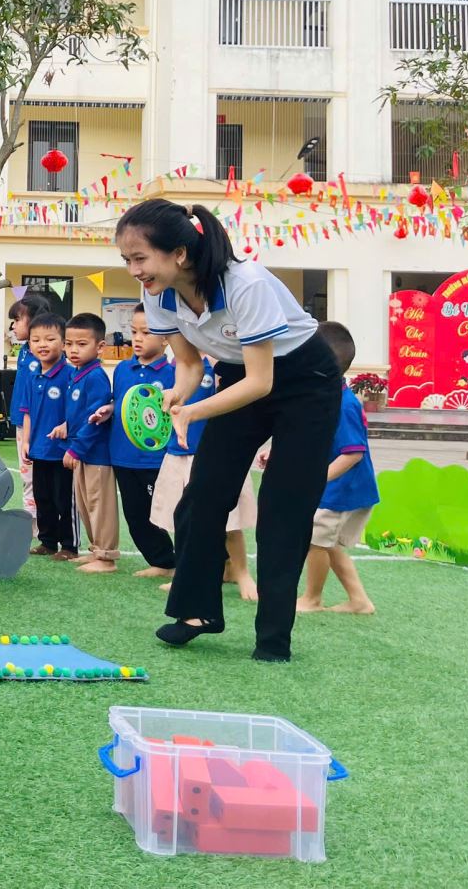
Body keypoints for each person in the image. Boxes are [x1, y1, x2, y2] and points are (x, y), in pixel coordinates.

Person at [120, 197, 337, 663]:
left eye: (140, 258)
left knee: (284, 508)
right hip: (239, 375)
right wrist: (178, 396)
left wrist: (194, 413)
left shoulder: (245, 284)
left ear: (179, 253)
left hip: (306, 380)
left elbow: (263, 382)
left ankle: (273, 638)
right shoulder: (157, 294)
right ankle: (196, 613)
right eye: (127, 260)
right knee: (202, 496)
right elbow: (190, 365)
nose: (134, 270)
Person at [148, 351, 258, 601]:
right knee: (182, 519)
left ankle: (241, 572)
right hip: (178, 449)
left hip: (215, 451)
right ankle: (184, 574)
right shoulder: (176, 363)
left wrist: (217, 364)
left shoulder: (219, 361)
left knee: (229, 522)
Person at [296, 321, 378, 616]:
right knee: (327, 543)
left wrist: (318, 480)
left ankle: (312, 598)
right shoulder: (326, 397)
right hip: (334, 488)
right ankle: (359, 601)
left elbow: (353, 453)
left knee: (315, 541)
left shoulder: (343, 404)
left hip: (342, 490)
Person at [106, 305, 177, 578]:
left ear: (166, 338)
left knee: (166, 513)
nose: (137, 338)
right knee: (135, 514)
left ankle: (192, 561)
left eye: (146, 333)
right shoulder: (123, 369)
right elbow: (120, 403)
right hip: (123, 456)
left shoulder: (175, 373)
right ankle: (162, 562)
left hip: (157, 458)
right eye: (133, 331)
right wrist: (108, 410)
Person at [55, 313, 118, 573]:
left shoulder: (96, 377)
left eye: (81, 344)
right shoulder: (77, 374)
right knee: (85, 503)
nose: (73, 350)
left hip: (96, 454)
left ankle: (106, 556)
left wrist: (75, 449)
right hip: (83, 452)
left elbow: (95, 419)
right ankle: (96, 550)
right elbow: (80, 414)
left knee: (99, 504)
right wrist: (65, 426)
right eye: (69, 344)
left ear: (99, 347)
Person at [20, 312, 78, 559]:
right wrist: (26, 442)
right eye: (36, 340)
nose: (42, 345)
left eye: (50, 339)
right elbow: (27, 412)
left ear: (63, 343)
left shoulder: (70, 374)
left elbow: (78, 410)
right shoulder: (33, 376)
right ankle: (47, 542)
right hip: (38, 449)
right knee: (42, 497)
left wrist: (67, 426)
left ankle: (69, 546)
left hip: (62, 451)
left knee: (64, 499)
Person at [7, 293, 52, 519]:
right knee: (27, 476)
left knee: (37, 477)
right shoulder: (25, 351)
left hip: (38, 424)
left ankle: (41, 523)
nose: (13, 326)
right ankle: (32, 523)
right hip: (21, 422)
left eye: (17, 320)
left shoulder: (45, 355)